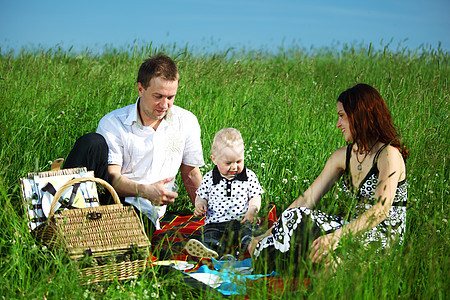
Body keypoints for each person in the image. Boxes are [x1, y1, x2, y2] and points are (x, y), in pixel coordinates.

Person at [249, 83, 409, 274]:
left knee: (309, 251)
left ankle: (315, 264)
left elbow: (380, 211)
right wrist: (267, 234)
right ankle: (293, 260)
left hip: (380, 236)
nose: (338, 124)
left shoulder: (388, 155)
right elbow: (307, 199)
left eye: (342, 116)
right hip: (351, 230)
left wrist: (335, 237)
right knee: (293, 218)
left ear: (359, 115)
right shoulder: (344, 155)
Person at [64, 54, 204, 232]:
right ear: (140, 89)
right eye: (158, 96)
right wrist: (145, 191)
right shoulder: (113, 122)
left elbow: (191, 173)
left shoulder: (187, 121)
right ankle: (61, 218)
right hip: (114, 199)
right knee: (92, 142)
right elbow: (111, 177)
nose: (164, 104)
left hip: (149, 214)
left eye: (170, 97)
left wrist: (209, 216)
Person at [184, 128, 264, 258]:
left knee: (249, 232)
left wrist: (252, 211)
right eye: (228, 163)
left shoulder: (249, 176)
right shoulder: (210, 178)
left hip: (241, 221)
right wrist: (200, 204)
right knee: (210, 235)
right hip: (216, 223)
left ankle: (251, 246)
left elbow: (255, 196)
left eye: (238, 161)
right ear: (214, 159)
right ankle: (211, 249)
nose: (234, 167)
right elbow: (201, 196)